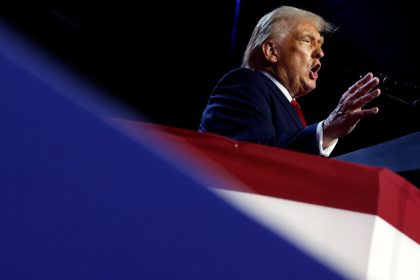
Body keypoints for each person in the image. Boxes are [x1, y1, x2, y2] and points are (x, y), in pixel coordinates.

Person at [198, 5, 381, 156]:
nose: (320, 53)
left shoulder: (289, 108)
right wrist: (326, 131)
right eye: (307, 41)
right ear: (271, 52)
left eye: (320, 45)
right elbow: (251, 155)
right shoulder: (244, 83)